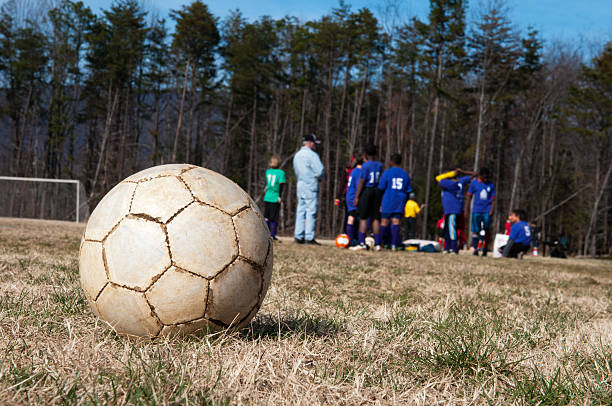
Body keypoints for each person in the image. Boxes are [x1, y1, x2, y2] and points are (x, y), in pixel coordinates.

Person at [293, 133, 324, 245]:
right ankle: (309, 237)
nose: (315, 146)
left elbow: (296, 170)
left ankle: (298, 235)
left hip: (300, 184)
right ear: (310, 143)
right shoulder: (312, 155)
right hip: (310, 185)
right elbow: (319, 171)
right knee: (311, 211)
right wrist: (320, 178)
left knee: (301, 210)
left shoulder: (297, 155)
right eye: (314, 143)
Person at [350, 144, 383, 251]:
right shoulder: (379, 165)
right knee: (375, 218)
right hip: (377, 191)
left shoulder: (365, 166)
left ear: (365, 154)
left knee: (363, 218)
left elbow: (362, 181)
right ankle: (378, 244)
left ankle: (361, 242)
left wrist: (357, 196)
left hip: (367, 191)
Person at [378, 153, 412, 250]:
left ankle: (380, 243)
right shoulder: (405, 174)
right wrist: (405, 203)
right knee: (396, 222)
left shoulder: (387, 173)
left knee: (384, 222)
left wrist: (380, 202)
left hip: (388, 199)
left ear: (391, 162)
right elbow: (408, 190)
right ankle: (394, 244)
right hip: (400, 200)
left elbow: (381, 188)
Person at [438, 168, 476, 254]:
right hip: (452, 209)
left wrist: (450, 174)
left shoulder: (447, 182)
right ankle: (447, 248)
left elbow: (438, 178)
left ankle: (454, 248)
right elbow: (474, 174)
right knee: (447, 229)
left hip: (452, 209)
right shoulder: (461, 181)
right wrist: (463, 172)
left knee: (451, 228)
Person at [465, 167, 496, 256]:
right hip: (476, 211)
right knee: (475, 230)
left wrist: (491, 210)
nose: (486, 179)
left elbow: (493, 199)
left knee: (485, 229)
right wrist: (466, 209)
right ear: (480, 176)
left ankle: (485, 248)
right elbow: (469, 196)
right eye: (484, 177)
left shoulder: (491, 184)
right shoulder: (474, 183)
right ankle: (475, 248)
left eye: (487, 177)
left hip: (486, 211)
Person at [264, 156, 286, 241]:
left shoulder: (268, 172)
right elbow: (281, 185)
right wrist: (280, 196)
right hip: (275, 197)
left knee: (266, 216)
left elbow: (268, 184)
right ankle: (272, 234)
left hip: (267, 196)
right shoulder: (281, 173)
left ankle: (266, 233)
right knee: (274, 217)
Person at [345, 158, 363, 244]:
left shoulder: (354, 170)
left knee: (351, 216)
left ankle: (350, 238)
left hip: (349, 196)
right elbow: (358, 185)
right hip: (354, 196)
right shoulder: (359, 172)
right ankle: (354, 240)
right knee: (358, 218)